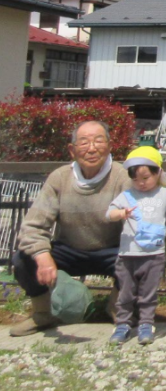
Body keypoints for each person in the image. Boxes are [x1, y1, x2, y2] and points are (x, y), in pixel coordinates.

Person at [12, 120, 129, 337]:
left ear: (110, 146)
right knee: (23, 258)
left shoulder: (122, 177)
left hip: (112, 250)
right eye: (83, 143)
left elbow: (140, 224)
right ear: (72, 150)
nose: (91, 148)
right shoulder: (59, 178)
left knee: (142, 256)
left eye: (98, 141)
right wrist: (42, 255)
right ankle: (42, 313)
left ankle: (118, 308)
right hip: (69, 249)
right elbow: (33, 226)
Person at [105, 147, 166, 346]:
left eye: (146, 178)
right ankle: (123, 323)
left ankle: (146, 323)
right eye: (136, 179)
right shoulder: (127, 195)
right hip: (128, 253)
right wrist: (121, 214)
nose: (141, 183)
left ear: (158, 173)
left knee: (148, 292)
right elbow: (109, 213)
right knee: (126, 292)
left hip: (154, 253)